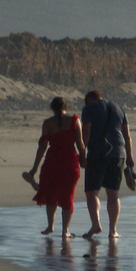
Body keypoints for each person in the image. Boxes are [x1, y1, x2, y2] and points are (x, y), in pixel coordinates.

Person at [78, 90, 135, 242]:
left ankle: (96, 224)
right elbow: (127, 135)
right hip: (119, 154)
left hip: (98, 153)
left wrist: (82, 154)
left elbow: (86, 132)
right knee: (113, 194)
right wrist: (129, 156)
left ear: (89, 99)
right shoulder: (118, 108)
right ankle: (113, 231)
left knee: (92, 191)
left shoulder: (89, 109)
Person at [24, 97, 85, 236]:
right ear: (66, 107)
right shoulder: (75, 120)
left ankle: (50, 226)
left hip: (52, 163)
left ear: (52, 108)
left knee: (51, 195)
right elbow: (80, 145)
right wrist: (83, 160)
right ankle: (65, 231)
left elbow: (42, 147)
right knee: (68, 196)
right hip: (70, 162)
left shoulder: (47, 123)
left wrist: (34, 169)